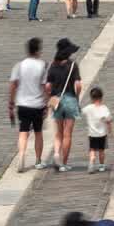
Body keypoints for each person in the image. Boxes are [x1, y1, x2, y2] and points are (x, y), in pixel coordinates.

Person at [9, 37, 50, 172]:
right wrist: (47, 103)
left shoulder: (19, 65)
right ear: (38, 51)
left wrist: (11, 103)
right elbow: (45, 87)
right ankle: (38, 161)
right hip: (37, 104)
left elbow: (13, 85)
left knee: (23, 131)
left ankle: (21, 155)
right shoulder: (42, 65)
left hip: (22, 104)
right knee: (38, 132)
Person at [46, 38, 83, 171]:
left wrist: (50, 98)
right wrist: (77, 97)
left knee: (58, 133)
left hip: (56, 100)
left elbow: (48, 86)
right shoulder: (73, 65)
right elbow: (78, 85)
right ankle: (64, 163)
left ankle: (56, 154)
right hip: (70, 99)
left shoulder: (53, 65)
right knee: (68, 134)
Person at [82, 87, 112, 174]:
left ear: (91, 98)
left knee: (92, 150)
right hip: (102, 134)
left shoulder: (88, 108)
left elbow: (80, 112)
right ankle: (102, 165)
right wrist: (110, 130)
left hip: (92, 134)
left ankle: (92, 161)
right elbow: (108, 119)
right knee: (101, 150)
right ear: (101, 97)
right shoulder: (104, 108)